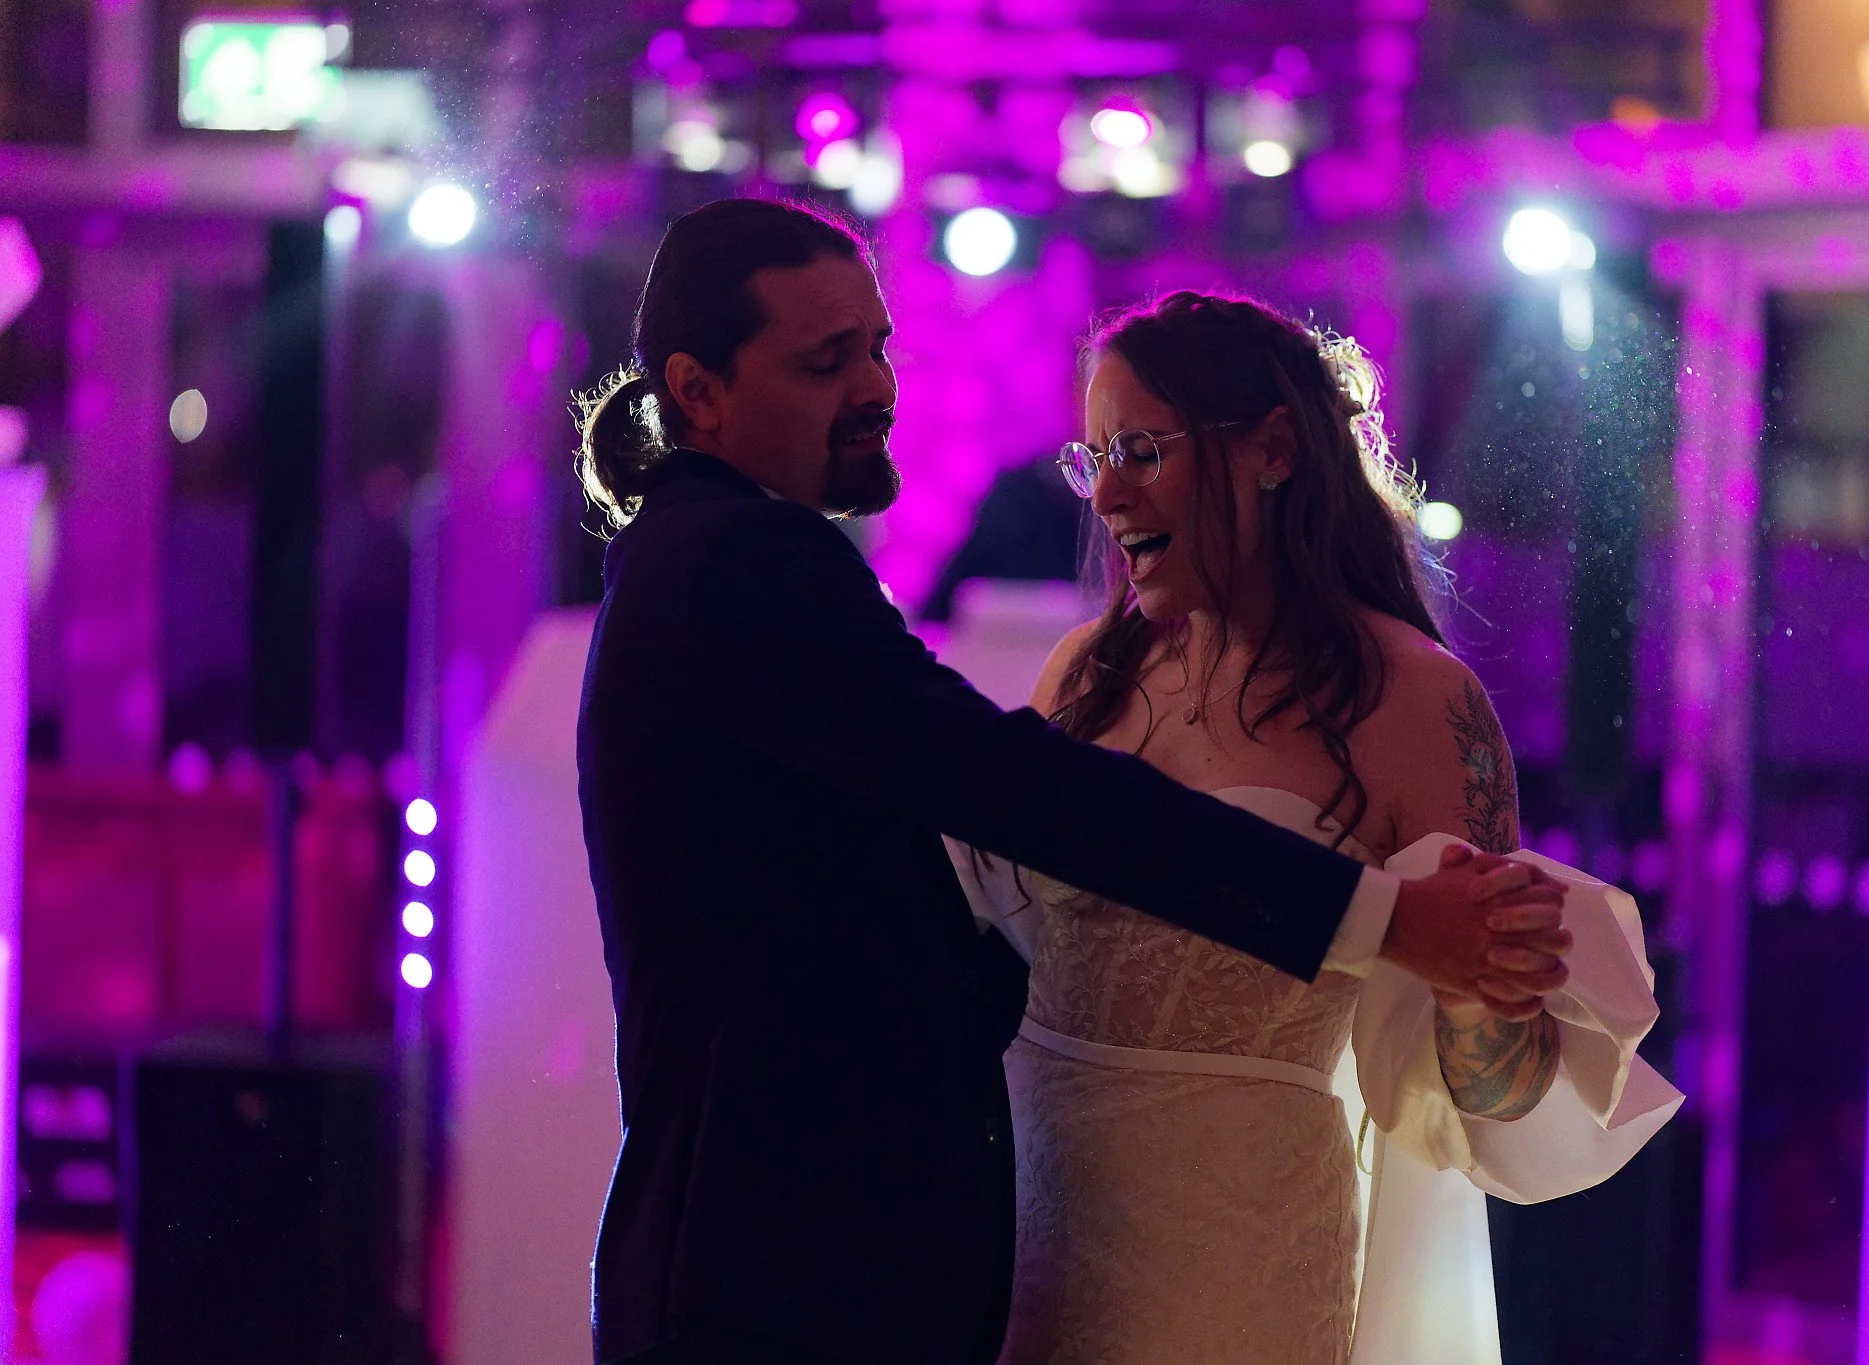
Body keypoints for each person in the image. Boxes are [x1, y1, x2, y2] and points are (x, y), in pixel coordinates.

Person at [572, 198, 1574, 1365]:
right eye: (823, 361)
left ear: (1270, 451)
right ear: (697, 393)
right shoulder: (763, 573)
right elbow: (1020, 794)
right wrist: (1376, 918)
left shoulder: (1416, 699)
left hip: (1203, 1270)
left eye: (876, 346)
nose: (876, 388)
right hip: (800, 1284)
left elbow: (1496, 1066)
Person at [950, 292, 1682, 1364]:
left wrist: (1495, 988)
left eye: (1141, 451)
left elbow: (1493, 1093)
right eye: (1092, 456)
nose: (1105, 493)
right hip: (1033, 1245)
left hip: (1235, 1275)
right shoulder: (1082, 678)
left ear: (1272, 451)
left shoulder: (1416, 704)